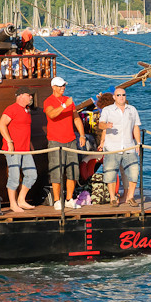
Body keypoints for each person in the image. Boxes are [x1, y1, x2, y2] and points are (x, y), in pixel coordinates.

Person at [43, 76, 87, 210]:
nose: (63, 88)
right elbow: (51, 114)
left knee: (73, 171)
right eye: (61, 86)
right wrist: (64, 105)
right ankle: (57, 200)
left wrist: (82, 135)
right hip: (55, 141)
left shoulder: (68, 101)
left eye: (64, 86)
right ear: (53, 87)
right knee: (57, 171)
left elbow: (76, 118)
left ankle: (69, 199)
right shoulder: (48, 101)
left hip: (71, 140)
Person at [98, 87, 142, 207]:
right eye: (118, 95)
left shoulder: (132, 110)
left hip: (129, 146)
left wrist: (138, 143)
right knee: (110, 173)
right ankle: (112, 197)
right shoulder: (107, 110)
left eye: (123, 95)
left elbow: (136, 127)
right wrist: (106, 125)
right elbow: (100, 125)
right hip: (112, 147)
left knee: (134, 172)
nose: (121, 97)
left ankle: (130, 197)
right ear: (114, 97)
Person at [0, 86, 36, 212]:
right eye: (28, 95)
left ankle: (21, 200)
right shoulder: (11, 109)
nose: (31, 97)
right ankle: (13, 204)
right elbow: (1, 124)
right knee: (14, 176)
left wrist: (31, 148)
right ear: (20, 96)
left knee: (32, 175)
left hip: (25, 149)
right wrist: (9, 142)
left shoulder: (27, 110)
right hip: (13, 149)